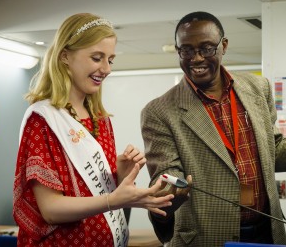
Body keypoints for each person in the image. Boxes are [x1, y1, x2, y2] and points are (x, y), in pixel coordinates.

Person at [140, 11, 286, 246]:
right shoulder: (160, 111)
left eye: (207, 48)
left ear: (224, 46)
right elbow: (166, 173)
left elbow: (273, 148)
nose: (196, 58)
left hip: (266, 229)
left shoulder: (258, 87)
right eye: (186, 50)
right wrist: (168, 192)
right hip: (206, 235)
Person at [13, 13, 174, 247]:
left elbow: (96, 193)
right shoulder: (43, 120)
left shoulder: (100, 119)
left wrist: (119, 175)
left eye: (110, 60)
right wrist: (113, 199)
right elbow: (50, 210)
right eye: (97, 58)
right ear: (65, 56)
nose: (106, 69)